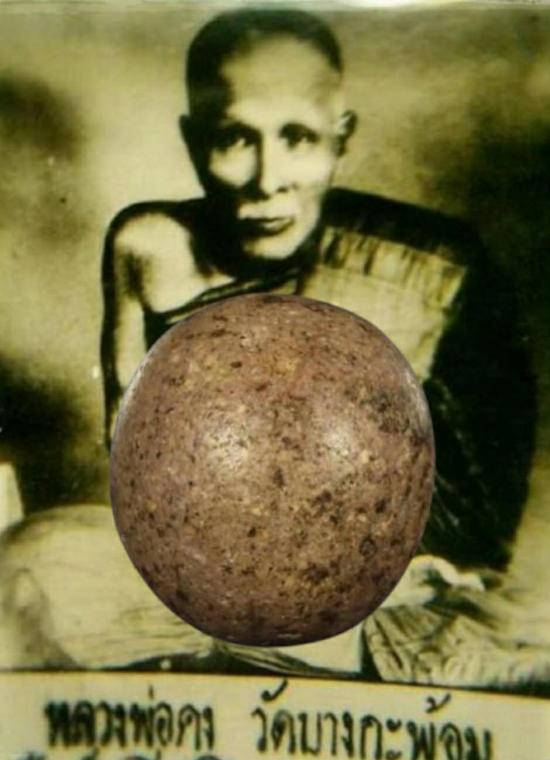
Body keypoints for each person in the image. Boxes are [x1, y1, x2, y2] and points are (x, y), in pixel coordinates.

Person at [98, 7, 536, 679]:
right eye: (234, 138)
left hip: (377, 589)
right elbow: (130, 461)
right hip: (201, 573)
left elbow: (477, 518)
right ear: (192, 140)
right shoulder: (148, 249)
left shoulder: (433, 269)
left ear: (341, 138)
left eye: (298, 137)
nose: (267, 178)